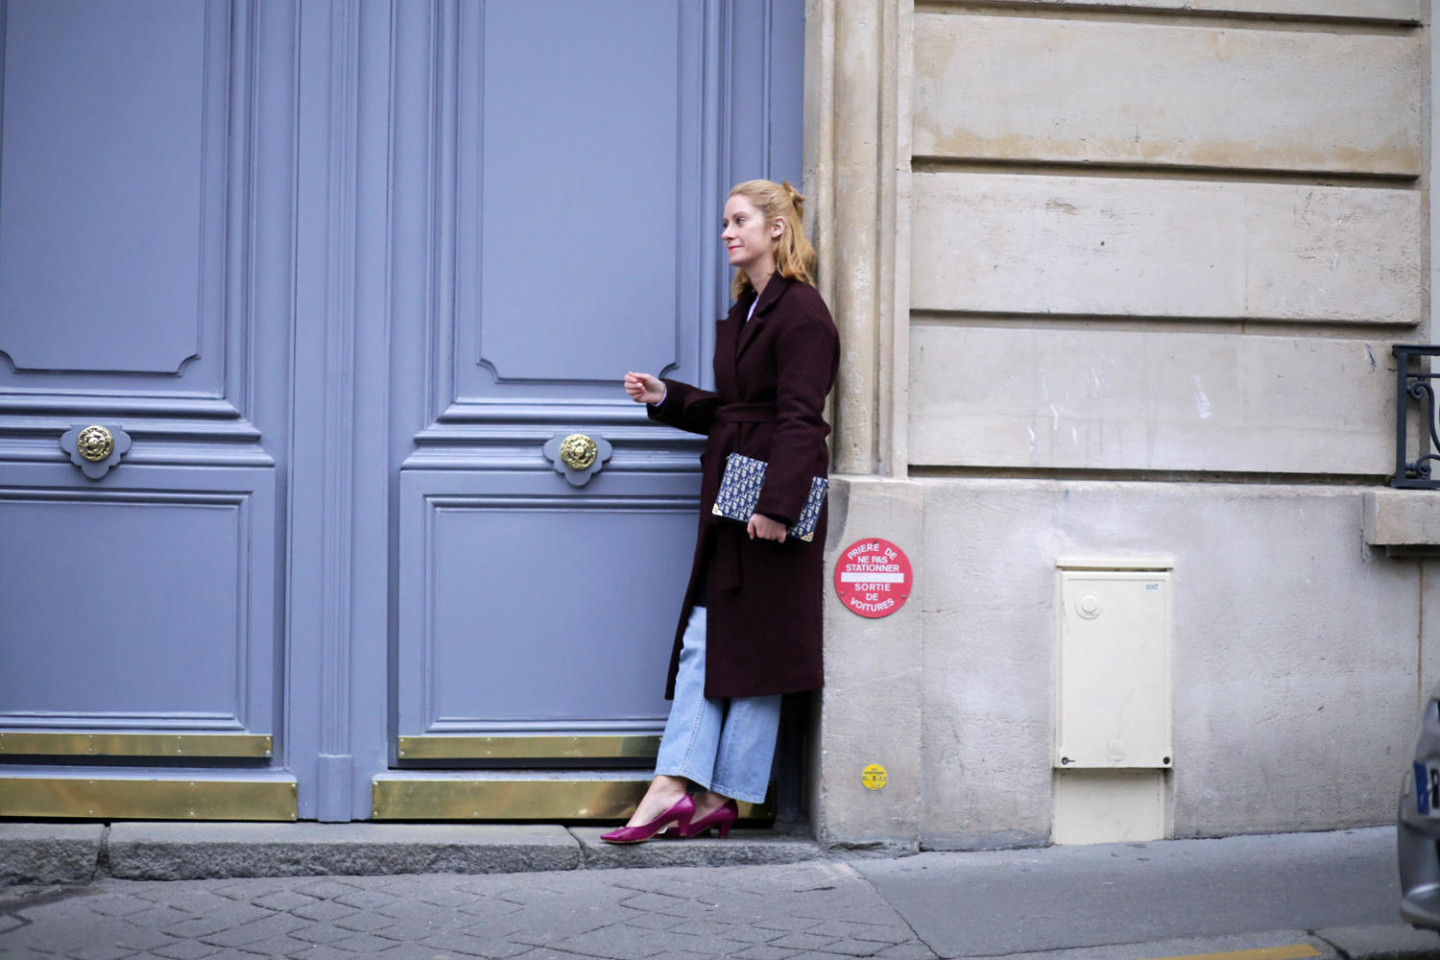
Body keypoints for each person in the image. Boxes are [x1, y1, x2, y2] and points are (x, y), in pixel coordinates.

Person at [606, 180, 839, 843]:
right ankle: (706, 795)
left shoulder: (803, 314)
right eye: (725, 222)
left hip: (767, 502)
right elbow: (736, 412)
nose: (727, 233)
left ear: (777, 229)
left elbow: (800, 418)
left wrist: (778, 506)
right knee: (722, 640)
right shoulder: (748, 312)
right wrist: (668, 397)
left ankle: (677, 788)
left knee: (738, 646)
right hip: (739, 492)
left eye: (739, 221)